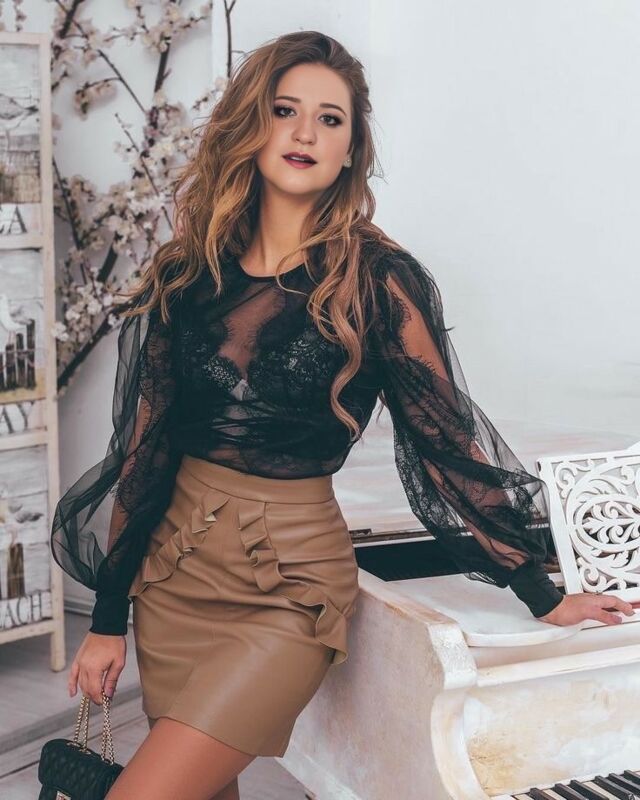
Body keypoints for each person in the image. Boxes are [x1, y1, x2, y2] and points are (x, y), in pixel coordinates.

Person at [49, 30, 634, 800]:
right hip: (174, 576)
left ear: (351, 147)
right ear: (250, 124)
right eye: (285, 110)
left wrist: (540, 590)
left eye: (330, 119)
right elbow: (144, 450)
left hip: (288, 588)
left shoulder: (377, 281)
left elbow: (444, 440)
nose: (305, 132)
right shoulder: (187, 275)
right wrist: (106, 619)